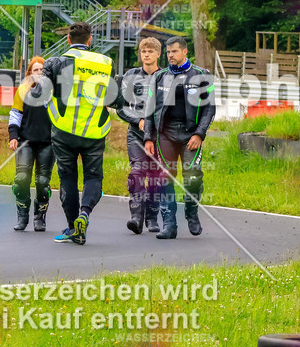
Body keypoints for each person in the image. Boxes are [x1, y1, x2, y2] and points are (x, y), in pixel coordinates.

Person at [41, 21, 123, 246]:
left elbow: (38, 93)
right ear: (90, 40)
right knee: (93, 177)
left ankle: (72, 228)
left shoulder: (55, 62)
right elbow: (115, 99)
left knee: (68, 177)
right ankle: (84, 215)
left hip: (64, 129)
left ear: (68, 40)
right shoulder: (106, 63)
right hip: (94, 131)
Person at [143, 36, 215, 239]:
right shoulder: (159, 77)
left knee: (192, 177)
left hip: (191, 134)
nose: (170, 56)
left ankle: (192, 212)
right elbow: (149, 109)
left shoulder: (202, 75)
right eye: (168, 52)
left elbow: (210, 108)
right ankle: (169, 224)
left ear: (185, 52)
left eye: (174, 51)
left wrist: (200, 134)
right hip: (165, 134)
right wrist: (148, 137)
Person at [117, 36, 162, 234]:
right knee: (137, 173)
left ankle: (152, 217)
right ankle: (136, 216)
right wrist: (139, 121)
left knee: (155, 177)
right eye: (143, 51)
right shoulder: (131, 76)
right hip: (136, 133)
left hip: (160, 136)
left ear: (158, 54)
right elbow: (121, 108)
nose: (146, 55)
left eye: (150, 51)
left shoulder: (168, 77)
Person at [8, 56, 54, 232]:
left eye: (42, 70)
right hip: (24, 141)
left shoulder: (53, 92)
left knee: (42, 182)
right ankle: (22, 217)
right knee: (21, 180)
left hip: (48, 143)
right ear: (29, 73)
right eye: (35, 70)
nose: (39, 73)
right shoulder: (23, 90)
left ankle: (39, 217)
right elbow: (15, 115)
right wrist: (13, 136)